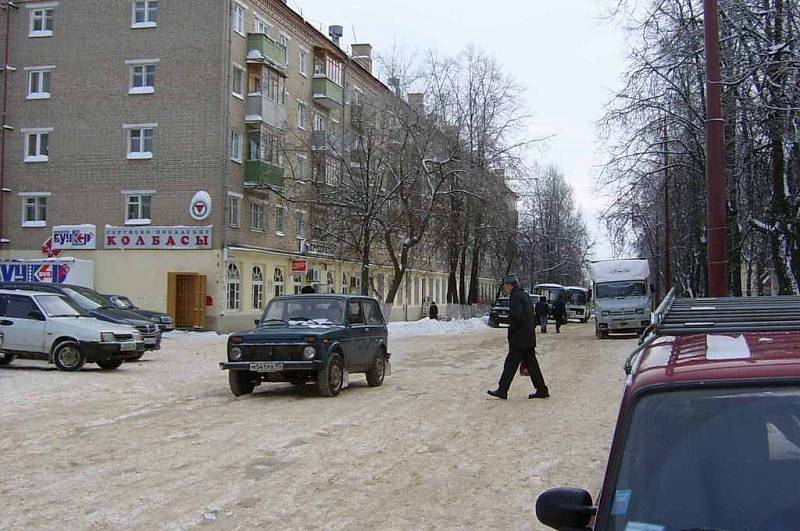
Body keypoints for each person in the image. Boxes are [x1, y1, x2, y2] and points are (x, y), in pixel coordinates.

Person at [487, 275, 549, 400]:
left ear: (510, 285)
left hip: (519, 338)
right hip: (528, 337)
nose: (505, 288)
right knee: (532, 365)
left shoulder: (515, 297)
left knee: (510, 364)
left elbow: (517, 317)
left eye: (505, 286)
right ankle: (542, 389)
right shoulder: (524, 295)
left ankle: (502, 390)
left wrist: (512, 327)